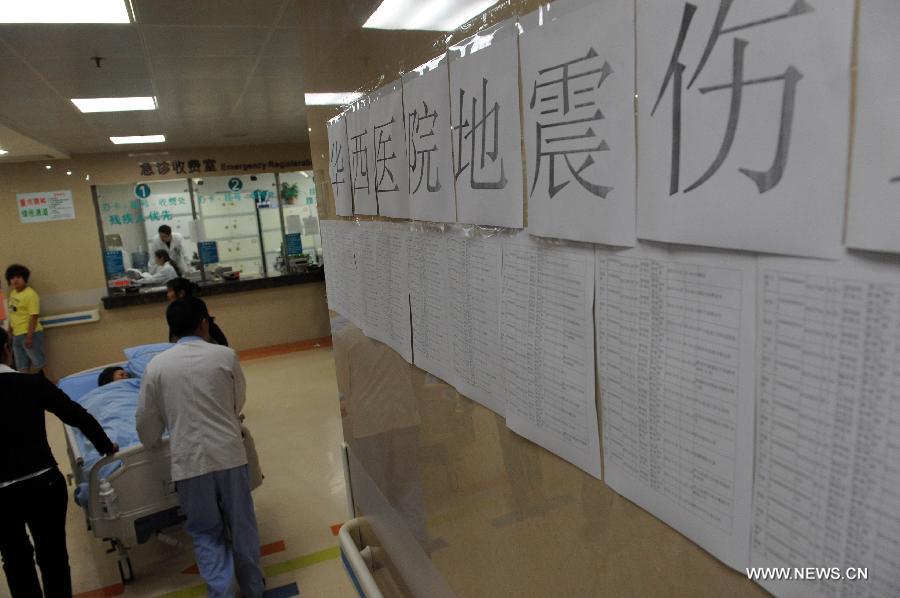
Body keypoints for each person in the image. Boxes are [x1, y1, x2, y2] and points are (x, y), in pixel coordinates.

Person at [136, 298, 264, 598]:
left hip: (189, 462)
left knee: (206, 532)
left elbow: (145, 421)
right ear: (205, 323)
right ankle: (254, 589)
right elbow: (238, 401)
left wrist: (152, 442)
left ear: (171, 332)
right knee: (242, 525)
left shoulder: (156, 367)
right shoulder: (225, 356)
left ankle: (222, 593)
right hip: (229, 455)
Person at [0, 327, 118, 597]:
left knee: (15, 558)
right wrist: (105, 445)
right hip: (43, 482)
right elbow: (76, 415)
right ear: (7, 351)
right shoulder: (31, 384)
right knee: (52, 555)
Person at [5, 264, 47, 376]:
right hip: (17, 335)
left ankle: (48, 386)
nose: (15, 280)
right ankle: (26, 389)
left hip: (30, 334)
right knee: (21, 366)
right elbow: (13, 313)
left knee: (39, 364)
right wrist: (10, 329)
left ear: (24, 278)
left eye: (18, 277)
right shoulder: (13, 293)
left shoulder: (30, 294)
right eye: (12, 278)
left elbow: (34, 316)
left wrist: (29, 336)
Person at [166, 278, 229, 346]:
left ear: (181, 293)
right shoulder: (178, 307)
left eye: (169, 291)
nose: (167, 295)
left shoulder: (191, 306)